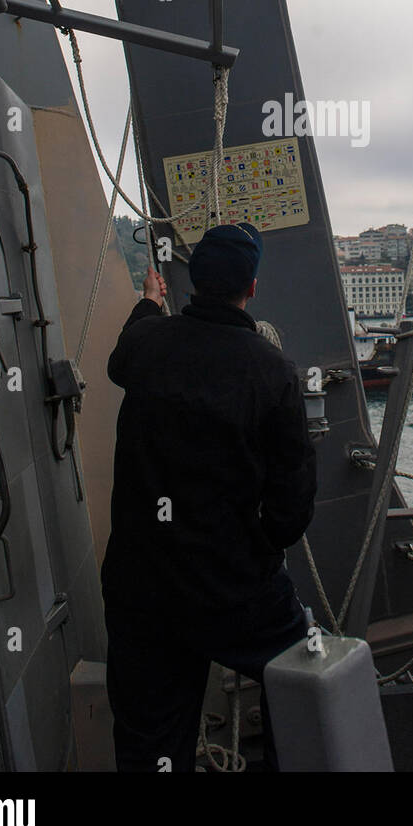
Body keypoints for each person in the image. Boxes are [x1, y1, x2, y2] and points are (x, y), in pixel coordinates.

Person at [101, 221, 317, 772]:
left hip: (142, 585)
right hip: (232, 585)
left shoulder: (146, 347)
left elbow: (124, 352)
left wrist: (151, 302)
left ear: (192, 283)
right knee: (301, 669)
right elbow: (291, 508)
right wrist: (258, 548)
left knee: (150, 740)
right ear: (252, 288)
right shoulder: (273, 374)